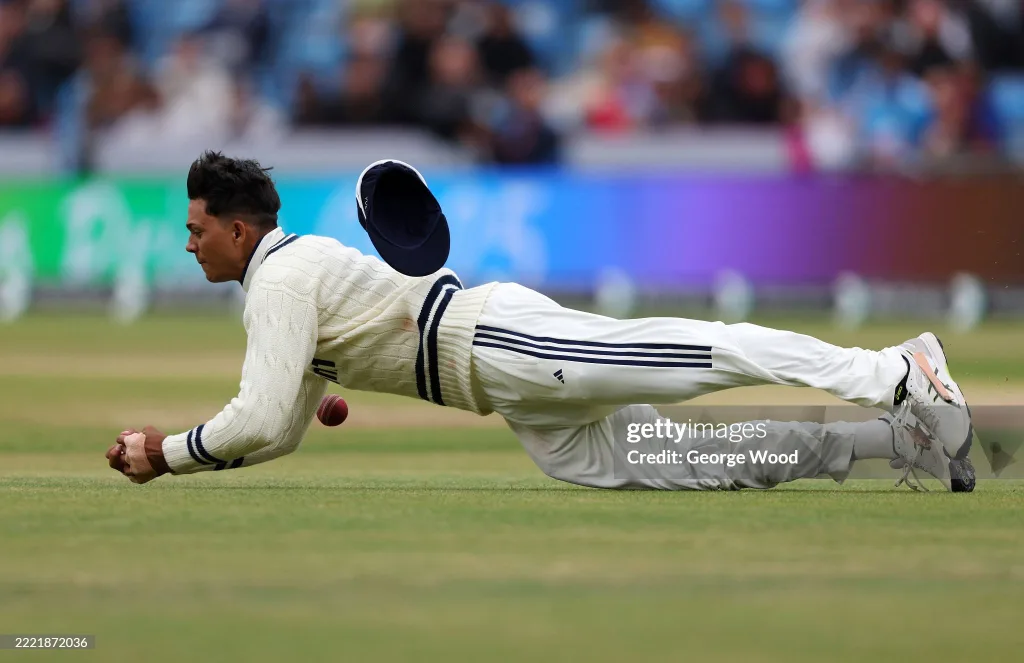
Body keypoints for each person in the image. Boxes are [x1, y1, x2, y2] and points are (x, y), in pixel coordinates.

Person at [106, 152, 975, 493]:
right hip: (508, 393)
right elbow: (281, 426)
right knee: (705, 461)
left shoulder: (280, 280)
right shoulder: (287, 283)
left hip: (496, 340)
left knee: (699, 352)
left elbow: (256, 418)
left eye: (195, 230)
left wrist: (166, 451)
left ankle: (899, 370)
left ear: (238, 228)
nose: (188, 246)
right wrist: (206, 443)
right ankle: (898, 439)